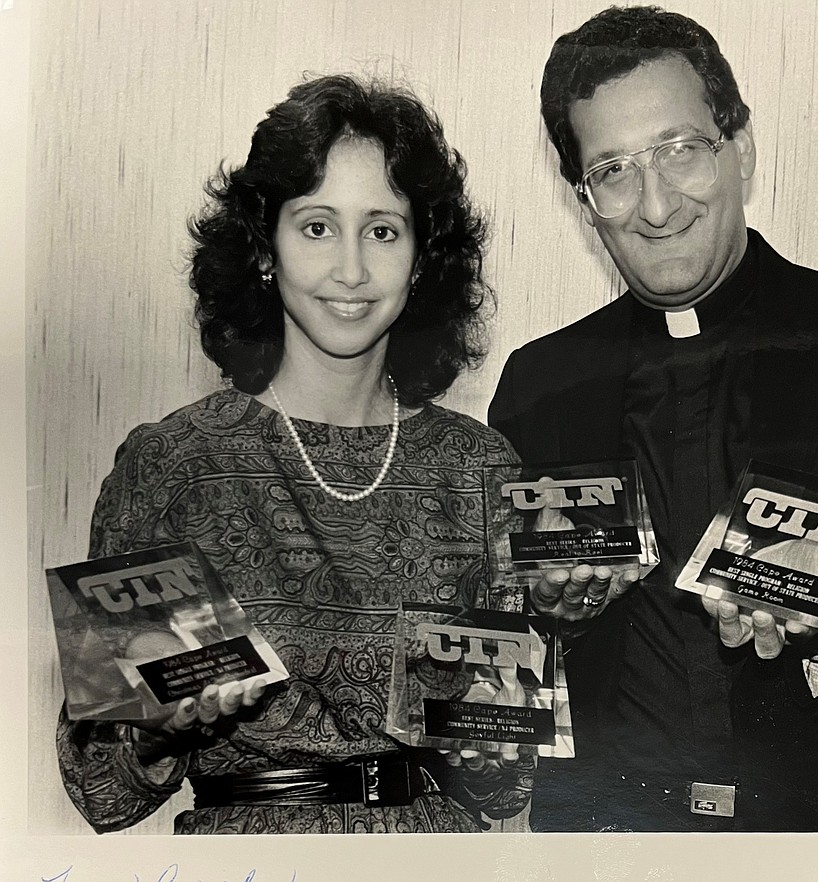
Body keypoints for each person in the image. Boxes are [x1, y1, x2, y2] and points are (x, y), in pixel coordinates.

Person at [488, 6, 818, 832]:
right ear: (585, 202)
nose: (656, 205)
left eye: (681, 150)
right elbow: (500, 682)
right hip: (606, 842)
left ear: (742, 150)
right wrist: (554, 618)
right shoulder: (539, 383)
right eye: (615, 169)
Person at [56, 74, 532, 835]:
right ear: (265, 248)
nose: (350, 269)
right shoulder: (174, 466)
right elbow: (102, 791)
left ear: (421, 260)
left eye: (382, 229)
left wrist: (494, 736)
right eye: (316, 227)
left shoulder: (481, 469)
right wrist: (156, 726)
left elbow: (504, 786)